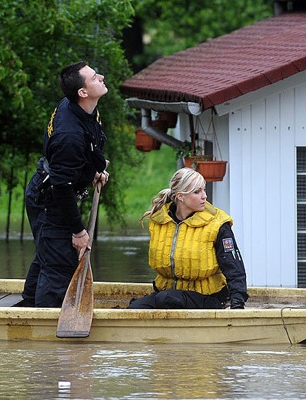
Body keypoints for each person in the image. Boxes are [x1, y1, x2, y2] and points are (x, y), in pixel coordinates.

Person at [21, 61, 110, 307]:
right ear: (82, 92)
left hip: (57, 188)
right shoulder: (68, 135)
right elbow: (61, 187)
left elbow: (91, 142)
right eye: (94, 77)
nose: (101, 77)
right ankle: (47, 330)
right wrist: (79, 231)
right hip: (50, 200)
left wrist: (92, 170)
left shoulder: (84, 107)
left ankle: (27, 306)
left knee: (48, 254)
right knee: (61, 263)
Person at [129, 168, 248, 309]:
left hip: (208, 297)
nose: (204, 196)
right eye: (197, 192)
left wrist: (237, 304)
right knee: (135, 307)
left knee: (166, 298)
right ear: (180, 196)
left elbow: (234, 266)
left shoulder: (218, 224)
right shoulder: (159, 221)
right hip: (167, 293)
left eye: (203, 190)